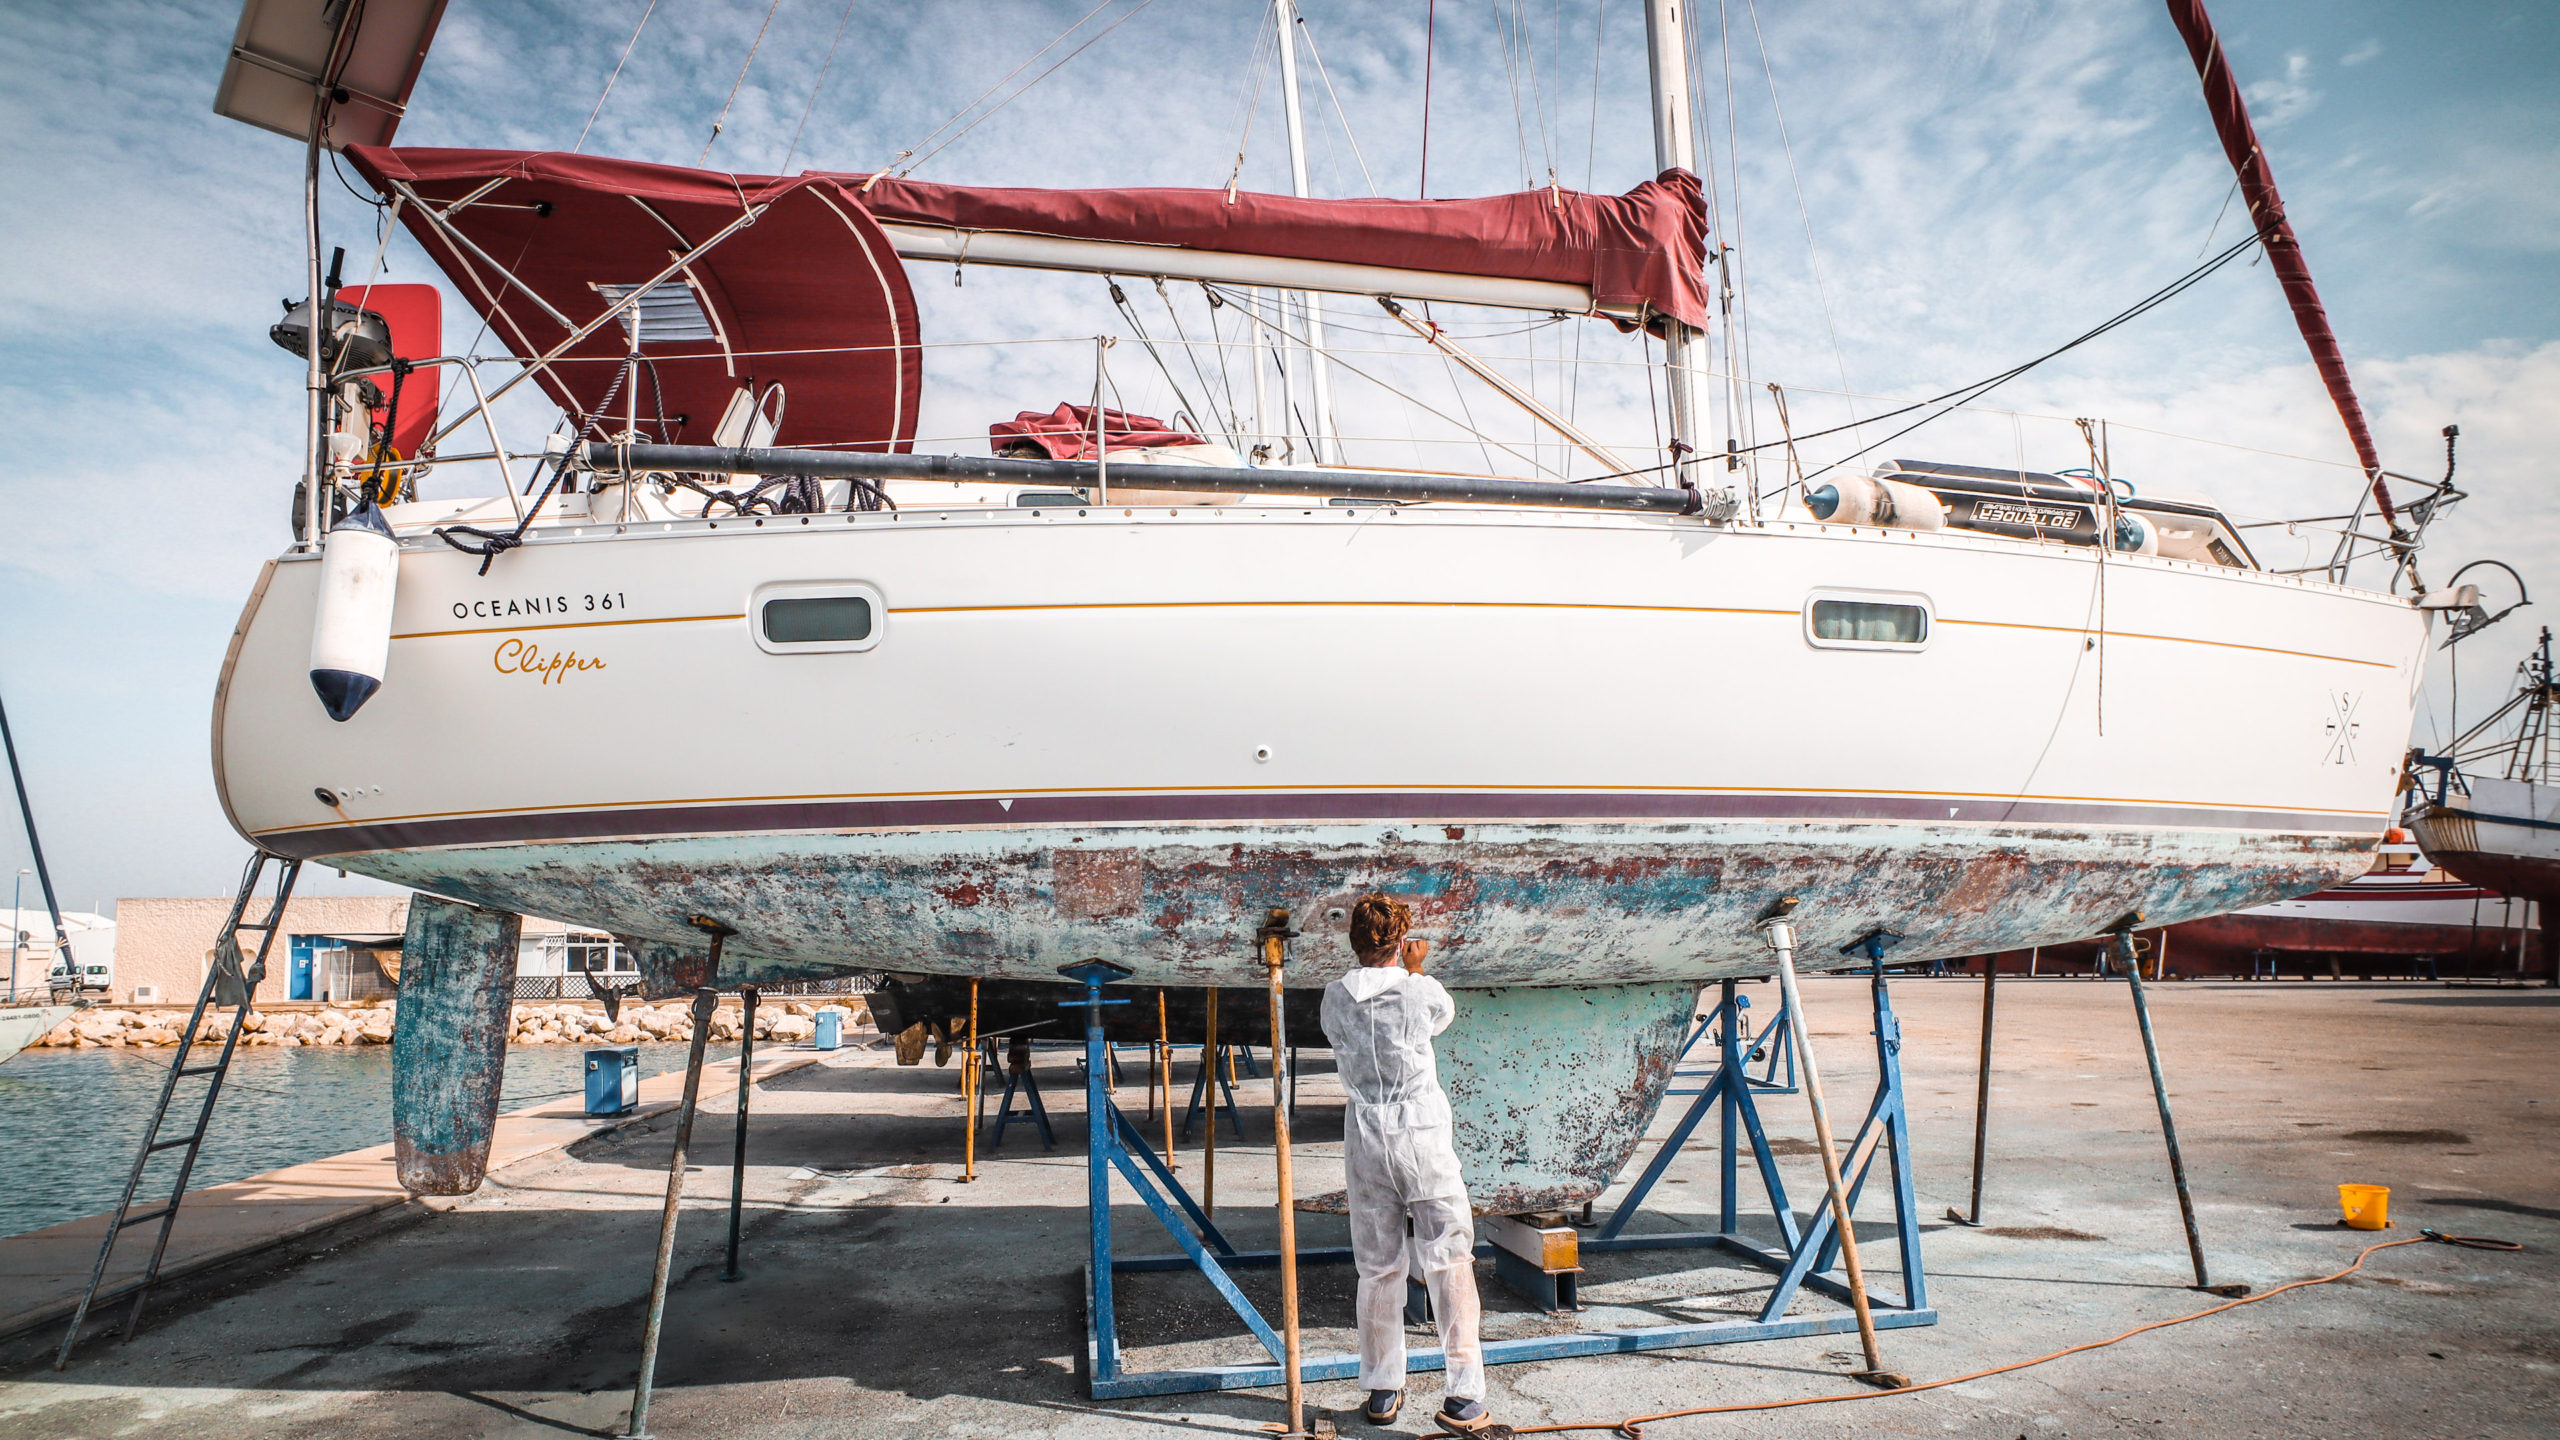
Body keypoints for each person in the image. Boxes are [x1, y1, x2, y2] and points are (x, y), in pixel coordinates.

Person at [1320, 893, 1498, 1435]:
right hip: (1420, 1133)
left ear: (1353, 943)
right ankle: (1463, 1396)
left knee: (1377, 1266)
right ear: (1401, 941)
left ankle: (1381, 1388)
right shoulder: (1419, 989)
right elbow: (1441, 1017)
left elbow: (1340, 1034)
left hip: (1366, 1133)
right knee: (1448, 1257)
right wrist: (1416, 969)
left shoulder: (1333, 997)